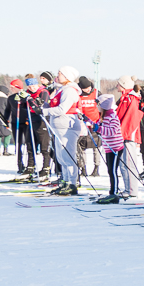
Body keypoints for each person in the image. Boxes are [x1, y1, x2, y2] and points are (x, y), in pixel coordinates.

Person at [43, 66, 85, 195]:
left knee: (68, 156)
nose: (57, 76)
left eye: (60, 74)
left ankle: (72, 183)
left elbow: (62, 109)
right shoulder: (61, 89)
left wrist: (45, 111)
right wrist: (42, 105)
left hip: (67, 127)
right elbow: (53, 105)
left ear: (67, 76)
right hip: (58, 126)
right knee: (61, 157)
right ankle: (66, 181)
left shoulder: (70, 90)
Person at [91, 94, 126, 203]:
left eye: (98, 105)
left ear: (104, 106)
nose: (97, 107)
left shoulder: (112, 116)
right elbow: (98, 127)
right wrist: (88, 122)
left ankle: (114, 193)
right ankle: (112, 191)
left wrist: (98, 128)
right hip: (108, 148)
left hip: (116, 148)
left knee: (113, 170)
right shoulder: (103, 117)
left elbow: (112, 131)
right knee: (110, 170)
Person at [115, 78, 143, 198]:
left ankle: (132, 190)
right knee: (123, 164)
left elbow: (131, 118)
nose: (117, 86)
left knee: (129, 162)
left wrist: (122, 132)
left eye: (119, 84)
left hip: (127, 134)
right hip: (123, 134)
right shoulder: (125, 97)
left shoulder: (131, 98)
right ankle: (128, 189)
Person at [75, 76, 103, 178]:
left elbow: (103, 106)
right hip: (82, 124)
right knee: (82, 147)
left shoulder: (96, 93)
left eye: (88, 87)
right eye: (85, 88)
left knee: (96, 147)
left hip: (95, 123)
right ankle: (83, 168)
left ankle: (96, 168)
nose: (87, 90)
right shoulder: (77, 94)